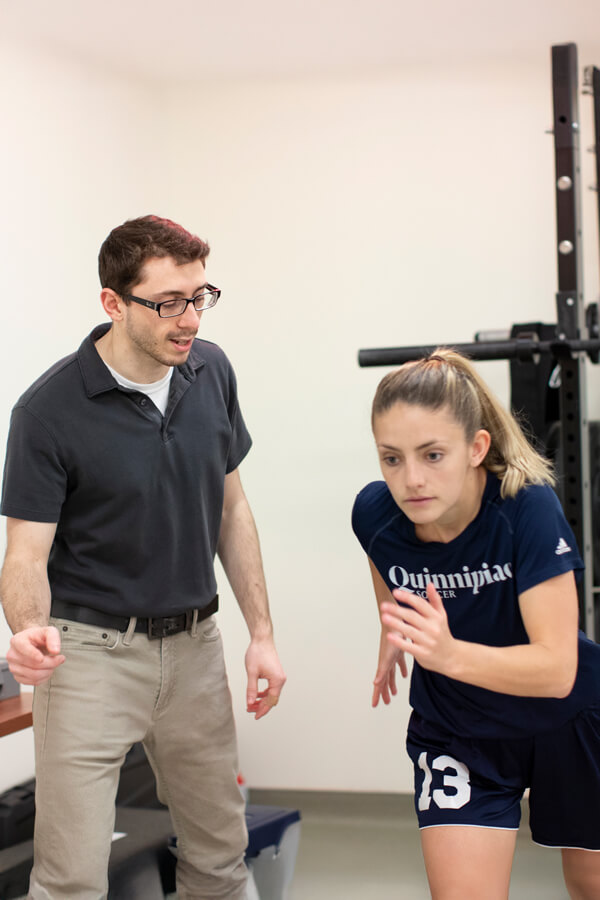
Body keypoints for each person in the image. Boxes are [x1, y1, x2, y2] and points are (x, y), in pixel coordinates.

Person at [0, 214, 286, 900]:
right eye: (167, 304)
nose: (188, 319)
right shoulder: (47, 411)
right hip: (90, 657)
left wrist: (263, 636)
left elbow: (232, 509)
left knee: (221, 859)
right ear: (113, 303)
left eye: (199, 296)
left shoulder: (210, 370)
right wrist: (27, 628)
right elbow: (24, 554)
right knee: (69, 879)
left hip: (194, 650)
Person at [352, 349, 600, 900]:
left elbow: (557, 668)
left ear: (476, 449)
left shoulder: (526, 509)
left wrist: (444, 653)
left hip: (565, 719)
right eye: (391, 458)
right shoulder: (375, 511)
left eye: (432, 454)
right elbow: (379, 551)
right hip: (457, 727)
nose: (411, 479)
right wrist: (391, 622)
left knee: (590, 885)